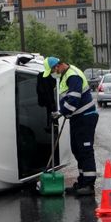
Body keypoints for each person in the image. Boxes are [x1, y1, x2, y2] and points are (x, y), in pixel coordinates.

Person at [42, 56, 99, 196]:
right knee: (77, 149)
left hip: (85, 117)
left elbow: (74, 99)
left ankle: (89, 184)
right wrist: (64, 112)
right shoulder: (66, 75)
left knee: (85, 150)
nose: (53, 74)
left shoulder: (72, 76)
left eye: (52, 71)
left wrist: (61, 113)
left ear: (57, 66)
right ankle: (82, 182)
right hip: (77, 117)